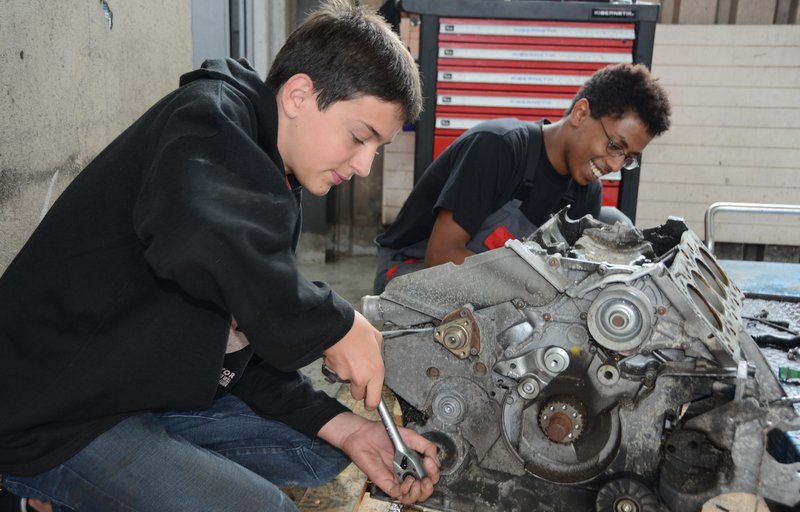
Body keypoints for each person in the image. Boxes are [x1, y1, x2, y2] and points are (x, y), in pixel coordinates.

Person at [0, 1, 440, 511]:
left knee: (317, 453)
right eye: (360, 137)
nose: (364, 165)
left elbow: (233, 341)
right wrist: (335, 325)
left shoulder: (275, 181)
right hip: (48, 413)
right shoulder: (206, 118)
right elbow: (198, 233)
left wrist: (348, 430)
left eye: (377, 148)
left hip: (126, 390)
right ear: (299, 94)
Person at [373, 62, 672, 294]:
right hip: (413, 271)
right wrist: (536, 287)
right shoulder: (499, 147)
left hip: (497, 285)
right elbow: (441, 257)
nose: (615, 164)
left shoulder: (586, 191)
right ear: (581, 113)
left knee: (612, 220)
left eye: (628, 158)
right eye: (615, 146)